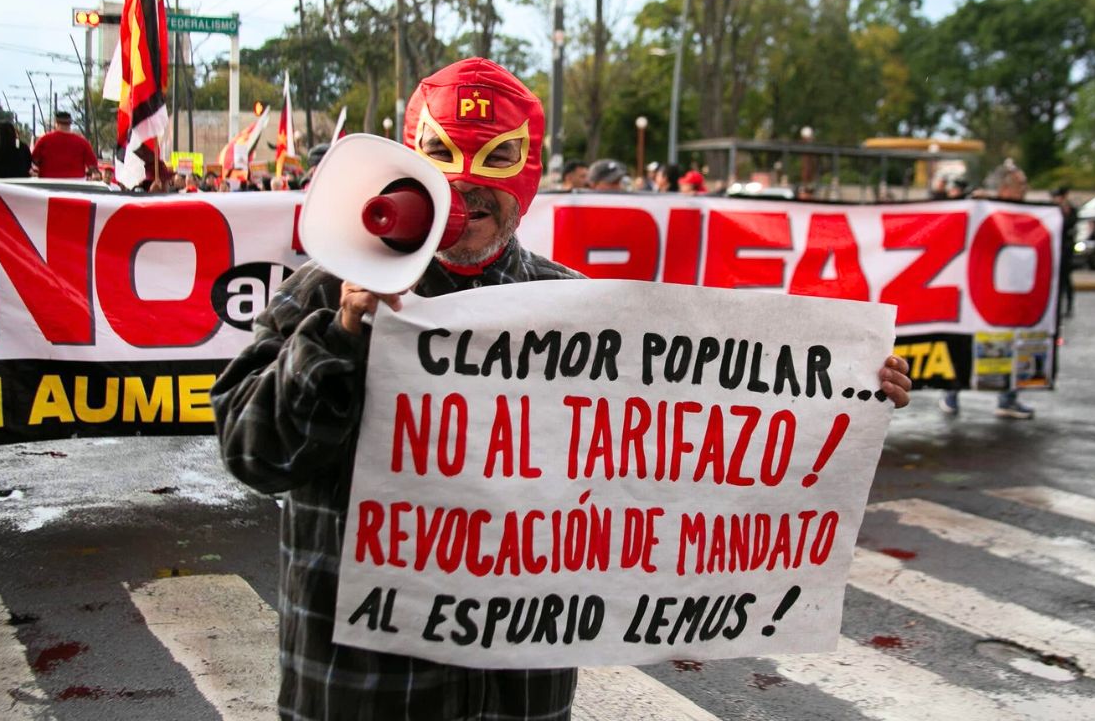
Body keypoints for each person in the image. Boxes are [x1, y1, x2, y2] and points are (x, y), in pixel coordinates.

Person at [212, 58, 913, 720]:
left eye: (495, 162)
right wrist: (339, 335)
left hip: (517, 691)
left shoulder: (576, 309)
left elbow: (688, 449)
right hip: (362, 688)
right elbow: (255, 456)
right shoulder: (330, 289)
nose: (465, 186)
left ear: (528, 176)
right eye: (443, 157)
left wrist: (842, 393)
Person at [940, 161, 1036, 419]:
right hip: (982, 294)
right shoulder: (985, 209)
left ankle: (1007, 398)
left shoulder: (1025, 214)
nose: (1025, 189)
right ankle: (951, 392)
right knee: (968, 344)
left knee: (1011, 346)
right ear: (1006, 188)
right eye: (1021, 184)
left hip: (1011, 294)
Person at [30, 111, 97, 179]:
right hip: (76, 181)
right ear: (70, 123)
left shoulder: (44, 140)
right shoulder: (82, 142)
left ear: (56, 123)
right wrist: (88, 174)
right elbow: (92, 165)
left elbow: (35, 160)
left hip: (48, 180)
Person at [1052, 186, 1076, 319]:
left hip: (1066, 249)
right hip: (1056, 248)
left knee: (1065, 279)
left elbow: (1070, 224)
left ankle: (1069, 306)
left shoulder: (1070, 209)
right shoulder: (1054, 208)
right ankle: (1057, 307)